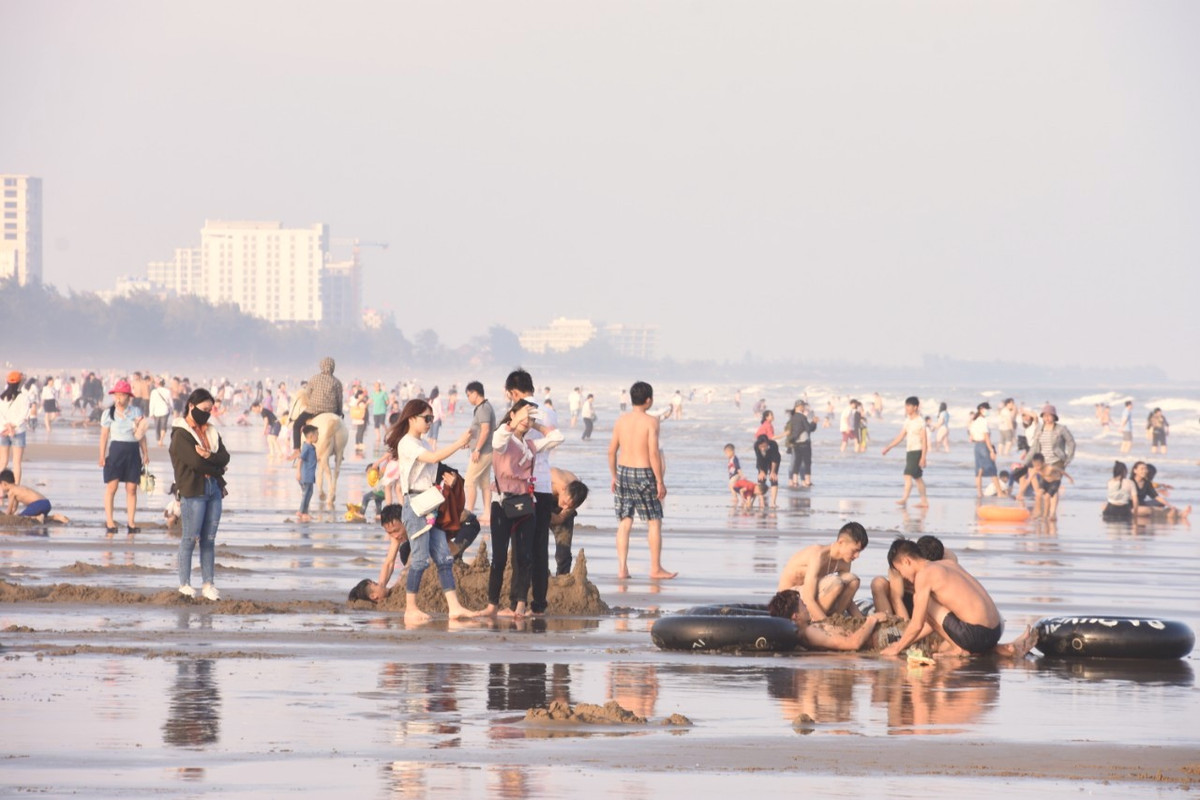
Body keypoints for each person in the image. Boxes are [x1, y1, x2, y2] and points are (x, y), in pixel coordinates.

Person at [380, 399, 474, 623]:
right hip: (416, 506)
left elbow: (433, 469)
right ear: (412, 418)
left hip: (430, 504)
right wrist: (459, 443)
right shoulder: (407, 443)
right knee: (420, 560)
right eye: (427, 418)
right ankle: (410, 608)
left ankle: (454, 607)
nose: (430, 422)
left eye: (432, 419)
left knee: (444, 558)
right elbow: (433, 459)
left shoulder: (422, 443)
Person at [880, 537, 1036, 659]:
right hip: (996, 630)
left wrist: (897, 647)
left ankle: (958, 648)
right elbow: (933, 623)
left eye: (900, 571)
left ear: (907, 561)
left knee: (922, 602)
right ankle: (1006, 648)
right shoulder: (949, 563)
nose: (904, 577)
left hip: (976, 635)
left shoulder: (924, 576)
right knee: (937, 604)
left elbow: (918, 623)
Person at [478, 399, 564, 618]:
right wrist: (515, 418)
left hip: (526, 504)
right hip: (502, 504)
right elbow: (498, 439)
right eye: (525, 417)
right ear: (513, 415)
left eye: (531, 418)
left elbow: (557, 438)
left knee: (525, 556)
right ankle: (492, 604)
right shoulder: (503, 439)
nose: (527, 421)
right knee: (498, 558)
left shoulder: (531, 445)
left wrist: (535, 424)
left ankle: (520, 606)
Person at [503, 369, 562, 613]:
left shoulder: (516, 413)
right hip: (544, 486)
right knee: (540, 547)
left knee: (520, 547)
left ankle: (517, 602)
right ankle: (538, 603)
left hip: (522, 487)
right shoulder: (549, 412)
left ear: (513, 392)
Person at [609, 381, 676, 580]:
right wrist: (660, 480)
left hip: (623, 472)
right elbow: (653, 453)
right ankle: (655, 568)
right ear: (649, 400)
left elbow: (612, 451)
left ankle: (622, 568)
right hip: (644, 473)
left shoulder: (621, 421)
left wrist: (614, 476)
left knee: (625, 521)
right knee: (654, 521)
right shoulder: (651, 422)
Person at [170, 388, 230, 601]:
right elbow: (195, 463)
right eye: (204, 409)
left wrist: (211, 458)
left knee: (209, 539)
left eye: (210, 410)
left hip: (214, 490)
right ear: (191, 406)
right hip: (193, 490)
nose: (208, 414)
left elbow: (224, 456)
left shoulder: (211, 431)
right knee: (189, 538)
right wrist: (218, 469)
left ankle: (208, 584)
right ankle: (184, 584)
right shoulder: (180, 434)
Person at [775, 522, 869, 621]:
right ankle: (820, 622)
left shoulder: (845, 561)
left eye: (859, 552)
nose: (857, 556)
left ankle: (836, 619)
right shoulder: (818, 556)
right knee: (836, 583)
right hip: (788, 599)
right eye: (855, 550)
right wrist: (827, 625)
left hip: (810, 595)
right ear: (841, 542)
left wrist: (862, 620)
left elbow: (847, 595)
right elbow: (808, 598)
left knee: (853, 581)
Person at [99, 379, 149, 534]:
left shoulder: (136, 412)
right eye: (117, 394)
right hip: (115, 451)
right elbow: (104, 436)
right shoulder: (109, 413)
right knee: (112, 487)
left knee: (132, 488)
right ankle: (110, 522)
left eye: (122, 394)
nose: (119, 397)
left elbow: (141, 435)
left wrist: (145, 453)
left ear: (129, 397)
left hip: (133, 451)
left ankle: (131, 523)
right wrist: (102, 455)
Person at [767, 590, 889, 651]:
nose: (807, 607)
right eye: (803, 605)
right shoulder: (810, 632)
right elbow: (853, 643)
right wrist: (872, 620)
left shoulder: (807, 630)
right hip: (881, 639)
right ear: (795, 616)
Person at [870, 534, 958, 619]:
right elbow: (896, 599)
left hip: (927, 603)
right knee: (878, 583)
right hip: (904, 599)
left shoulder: (947, 560)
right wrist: (896, 598)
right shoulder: (902, 565)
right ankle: (886, 622)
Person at [881, 396, 928, 507]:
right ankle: (924, 502)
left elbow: (924, 440)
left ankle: (904, 499)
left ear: (915, 407)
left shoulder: (920, 421)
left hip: (917, 451)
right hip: (910, 451)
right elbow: (901, 436)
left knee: (907, 475)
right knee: (918, 478)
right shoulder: (908, 421)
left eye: (909, 406)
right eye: (906, 406)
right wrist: (889, 447)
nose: (906, 408)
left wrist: (923, 457)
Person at [292, 357, 342, 456]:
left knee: (296, 425)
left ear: (321, 366)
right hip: (331, 410)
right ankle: (339, 451)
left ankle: (297, 449)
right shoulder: (337, 382)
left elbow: (308, 394)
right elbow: (339, 399)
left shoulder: (314, 378)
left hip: (313, 409)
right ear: (333, 367)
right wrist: (339, 411)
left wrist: (312, 402)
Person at [462, 381, 495, 521]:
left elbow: (486, 430)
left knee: (470, 481)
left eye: (469, 395)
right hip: (486, 450)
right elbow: (480, 430)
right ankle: (487, 513)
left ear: (475, 393)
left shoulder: (483, 408)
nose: (468, 398)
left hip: (484, 451)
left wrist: (477, 449)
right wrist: (469, 443)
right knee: (484, 483)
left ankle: (469, 512)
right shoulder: (484, 407)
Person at [548, 466, 589, 575]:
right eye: (565, 503)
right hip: (540, 500)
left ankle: (562, 580)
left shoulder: (578, 493)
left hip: (560, 513)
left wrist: (562, 513)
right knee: (536, 546)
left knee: (563, 552)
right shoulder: (549, 478)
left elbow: (560, 518)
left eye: (569, 506)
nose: (566, 507)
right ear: (563, 488)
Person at [0, 469, 70, 523]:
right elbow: (14, 508)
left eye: (1, 485)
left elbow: (9, 508)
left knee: (21, 518)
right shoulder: (18, 487)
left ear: (4, 483)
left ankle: (39, 518)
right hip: (46, 503)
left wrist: (5, 517)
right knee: (28, 515)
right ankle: (54, 517)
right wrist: (12, 513)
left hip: (38, 505)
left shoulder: (11, 492)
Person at [0, 371, 32, 487]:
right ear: (20, 383)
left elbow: (1, 415)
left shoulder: (2, 397)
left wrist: (7, 426)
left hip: (3, 432)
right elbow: (24, 415)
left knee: (2, 461)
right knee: (16, 463)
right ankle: (16, 488)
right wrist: (12, 427)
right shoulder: (24, 397)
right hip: (18, 431)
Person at [968, 402, 1002, 499]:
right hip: (983, 445)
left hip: (977, 446)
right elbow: (986, 436)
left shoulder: (974, 421)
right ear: (981, 409)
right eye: (987, 409)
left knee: (979, 470)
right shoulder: (983, 421)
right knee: (992, 469)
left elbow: (971, 437)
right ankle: (999, 492)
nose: (988, 412)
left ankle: (979, 493)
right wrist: (991, 450)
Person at [785, 400, 817, 488]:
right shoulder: (802, 417)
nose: (804, 408)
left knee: (796, 462)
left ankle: (794, 481)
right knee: (807, 462)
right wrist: (814, 422)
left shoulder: (793, 417)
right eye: (803, 406)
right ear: (800, 407)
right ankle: (807, 481)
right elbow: (809, 428)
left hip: (795, 443)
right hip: (804, 443)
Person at [296, 424, 319, 522]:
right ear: (311, 436)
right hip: (305, 475)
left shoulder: (311, 447)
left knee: (309, 493)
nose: (318, 437)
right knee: (306, 494)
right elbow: (300, 460)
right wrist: (298, 473)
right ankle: (301, 512)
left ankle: (305, 512)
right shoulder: (306, 447)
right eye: (317, 435)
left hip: (309, 475)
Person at [754, 433, 781, 508]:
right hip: (762, 460)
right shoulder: (756, 445)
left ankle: (773, 502)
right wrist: (761, 471)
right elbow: (759, 459)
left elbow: (774, 460)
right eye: (761, 446)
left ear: (767, 443)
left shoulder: (773, 444)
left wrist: (772, 472)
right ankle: (761, 501)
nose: (762, 448)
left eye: (764, 446)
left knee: (773, 478)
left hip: (774, 460)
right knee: (761, 478)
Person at [149, 377, 173, 446]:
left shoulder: (153, 392)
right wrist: (172, 409)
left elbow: (152, 403)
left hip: (156, 412)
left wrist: (151, 413)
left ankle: (159, 440)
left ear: (157, 384)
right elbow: (170, 402)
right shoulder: (167, 391)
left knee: (157, 427)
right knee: (163, 426)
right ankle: (161, 440)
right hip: (165, 411)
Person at [349, 386, 369, 456]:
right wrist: (367, 403)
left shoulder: (357, 400)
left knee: (359, 430)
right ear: (359, 395)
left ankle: (357, 443)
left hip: (360, 417)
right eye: (361, 394)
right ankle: (359, 443)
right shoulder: (359, 401)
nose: (363, 396)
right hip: (361, 417)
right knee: (361, 430)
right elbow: (363, 407)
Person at [370, 381, 390, 447]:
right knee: (376, 425)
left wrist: (385, 406)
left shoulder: (383, 393)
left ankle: (387, 433)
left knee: (382, 423)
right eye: (375, 386)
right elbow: (370, 400)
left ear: (379, 387)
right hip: (375, 411)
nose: (376, 388)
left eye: (378, 386)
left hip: (382, 411)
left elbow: (387, 401)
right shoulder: (373, 394)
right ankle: (378, 437)